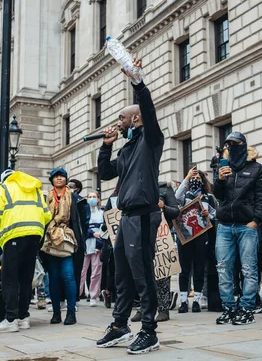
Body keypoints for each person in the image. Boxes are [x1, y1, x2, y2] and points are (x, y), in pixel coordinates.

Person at [96, 58, 165, 354]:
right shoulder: (126, 150)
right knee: (121, 273)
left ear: (135, 120)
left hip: (144, 215)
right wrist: (107, 145)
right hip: (126, 218)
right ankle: (120, 324)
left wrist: (137, 82)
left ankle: (149, 330)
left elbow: (148, 110)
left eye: (122, 119)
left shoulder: (151, 139)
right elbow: (105, 173)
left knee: (142, 273)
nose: (118, 123)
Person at [213, 132, 262, 326]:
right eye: (228, 144)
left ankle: (246, 308)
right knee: (223, 268)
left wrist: (256, 220)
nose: (231, 147)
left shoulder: (256, 168)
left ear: (244, 145)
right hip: (225, 225)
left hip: (247, 226)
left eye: (235, 144)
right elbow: (218, 196)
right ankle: (228, 307)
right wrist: (219, 179)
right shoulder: (223, 167)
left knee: (249, 269)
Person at [0, 169, 52, 333]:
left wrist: (0, 231)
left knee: (9, 278)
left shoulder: (4, 188)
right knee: (26, 278)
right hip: (34, 235)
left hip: (13, 235)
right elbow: (47, 215)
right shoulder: (35, 189)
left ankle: (11, 320)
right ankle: (24, 317)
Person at [42, 167, 85, 325]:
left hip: (68, 239)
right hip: (50, 240)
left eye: (62, 176)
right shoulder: (45, 198)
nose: (59, 178)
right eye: (56, 176)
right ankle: (55, 313)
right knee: (53, 277)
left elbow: (82, 222)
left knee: (68, 276)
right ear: (52, 180)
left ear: (66, 179)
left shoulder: (75, 198)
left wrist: (81, 241)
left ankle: (71, 313)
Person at [175, 166, 216, 314]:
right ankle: (184, 301)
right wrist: (186, 178)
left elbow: (216, 214)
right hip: (185, 237)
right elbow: (175, 198)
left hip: (202, 236)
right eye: (193, 178)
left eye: (198, 178)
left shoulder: (208, 197)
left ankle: (197, 300)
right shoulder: (184, 196)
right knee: (184, 269)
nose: (195, 180)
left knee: (199, 268)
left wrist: (208, 214)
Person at [155, 180, 180, 322]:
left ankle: (163, 309)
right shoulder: (136, 187)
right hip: (142, 234)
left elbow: (175, 212)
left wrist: (164, 207)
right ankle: (145, 307)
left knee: (162, 274)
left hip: (161, 235)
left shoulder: (165, 190)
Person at [80, 191, 104, 307]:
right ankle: (77, 295)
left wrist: (99, 244)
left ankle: (93, 295)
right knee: (81, 271)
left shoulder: (101, 213)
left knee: (96, 271)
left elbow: (103, 229)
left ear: (98, 199)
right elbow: (82, 227)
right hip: (86, 243)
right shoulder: (84, 212)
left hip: (96, 244)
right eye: (90, 197)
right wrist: (91, 233)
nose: (92, 199)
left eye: (94, 197)